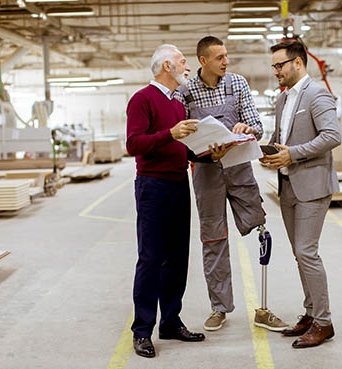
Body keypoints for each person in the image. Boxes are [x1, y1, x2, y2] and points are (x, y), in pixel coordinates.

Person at [175, 36, 287, 332]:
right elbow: (181, 138)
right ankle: (219, 308)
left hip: (238, 167)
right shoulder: (185, 92)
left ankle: (263, 307)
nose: (226, 61)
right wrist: (201, 149)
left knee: (260, 228)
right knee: (213, 239)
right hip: (205, 172)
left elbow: (258, 125)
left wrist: (246, 127)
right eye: (220, 57)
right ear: (203, 61)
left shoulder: (237, 83)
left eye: (226, 55)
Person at [126, 44, 231, 358]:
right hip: (152, 187)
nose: (188, 67)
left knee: (176, 258)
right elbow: (133, 144)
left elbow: (180, 148)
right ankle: (142, 330)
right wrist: (169, 134)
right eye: (183, 62)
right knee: (150, 259)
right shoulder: (142, 99)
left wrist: (210, 155)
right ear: (166, 66)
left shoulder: (176, 103)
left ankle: (170, 321)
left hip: (177, 184)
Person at [261, 39, 341, 349]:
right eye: (273, 66)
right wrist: (266, 151)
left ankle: (324, 322)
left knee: (307, 252)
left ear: (298, 63)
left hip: (311, 185)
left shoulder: (317, 93)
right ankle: (310, 313)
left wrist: (293, 154)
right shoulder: (283, 100)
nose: (275, 71)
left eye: (280, 65)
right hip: (287, 187)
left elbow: (332, 135)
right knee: (299, 254)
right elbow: (279, 137)